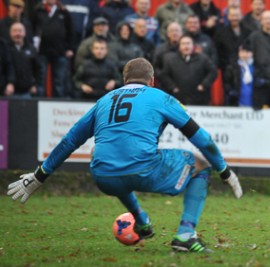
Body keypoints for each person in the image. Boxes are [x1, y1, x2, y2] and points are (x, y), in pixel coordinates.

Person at [7, 57, 243, 253]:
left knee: (107, 157)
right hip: (144, 169)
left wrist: (39, 177)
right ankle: (185, 235)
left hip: (103, 176)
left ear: (123, 80)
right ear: (152, 81)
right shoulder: (159, 96)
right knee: (201, 165)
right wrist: (225, 171)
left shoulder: (103, 101)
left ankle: (142, 222)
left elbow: (70, 140)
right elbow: (201, 138)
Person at [160, 36, 218, 105]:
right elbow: (164, 75)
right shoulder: (171, 59)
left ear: (193, 46)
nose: (186, 46)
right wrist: (173, 87)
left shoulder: (202, 58)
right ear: (179, 46)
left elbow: (213, 71)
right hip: (178, 99)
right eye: (183, 44)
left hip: (199, 99)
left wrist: (204, 85)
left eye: (188, 43)